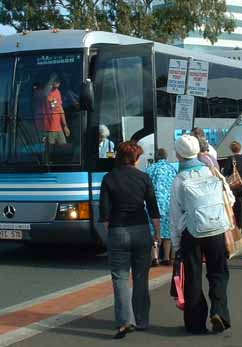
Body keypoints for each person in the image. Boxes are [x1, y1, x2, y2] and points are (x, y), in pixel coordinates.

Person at [170, 135, 231, 334]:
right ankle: (219, 311)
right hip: (216, 230)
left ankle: (195, 323)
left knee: (193, 277)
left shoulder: (179, 179)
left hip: (191, 232)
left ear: (179, 153)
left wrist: (176, 244)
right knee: (218, 272)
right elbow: (229, 199)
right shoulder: (211, 170)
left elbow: (174, 214)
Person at [99, 141, 161, 339]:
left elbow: (105, 215)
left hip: (118, 230)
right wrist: (157, 233)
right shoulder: (143, 177)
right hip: (142, 230)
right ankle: (142, 320)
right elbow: (153, 207)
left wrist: (111, 234)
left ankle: (125, 321)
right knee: (141, 277)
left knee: (120, 278)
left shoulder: (108, 178)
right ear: (135, 158)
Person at [146, 149, 177, 266]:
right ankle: (166, 257)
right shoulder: (172, 169)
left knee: (154, 230)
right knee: (167, 231)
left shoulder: (150, 169)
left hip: (153, 203)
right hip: (168, 204)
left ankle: (155, 257)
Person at [33, 73, 70, 145]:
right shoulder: (42, 91)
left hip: (58, 128)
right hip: (48, 130)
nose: (58, 82)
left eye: (59, 80)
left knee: (64, 149)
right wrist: (51, 80)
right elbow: (45, 94)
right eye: (56, 80)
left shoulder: (58, 92)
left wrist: (65, 125)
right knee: (49, 152)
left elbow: (60, 109)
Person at [222, 141, 242, 230]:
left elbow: (226, 172)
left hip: (234, 185)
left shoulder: (230, 159)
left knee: (236, 206)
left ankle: (238, 226)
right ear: (240, 148)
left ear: (231, 149)